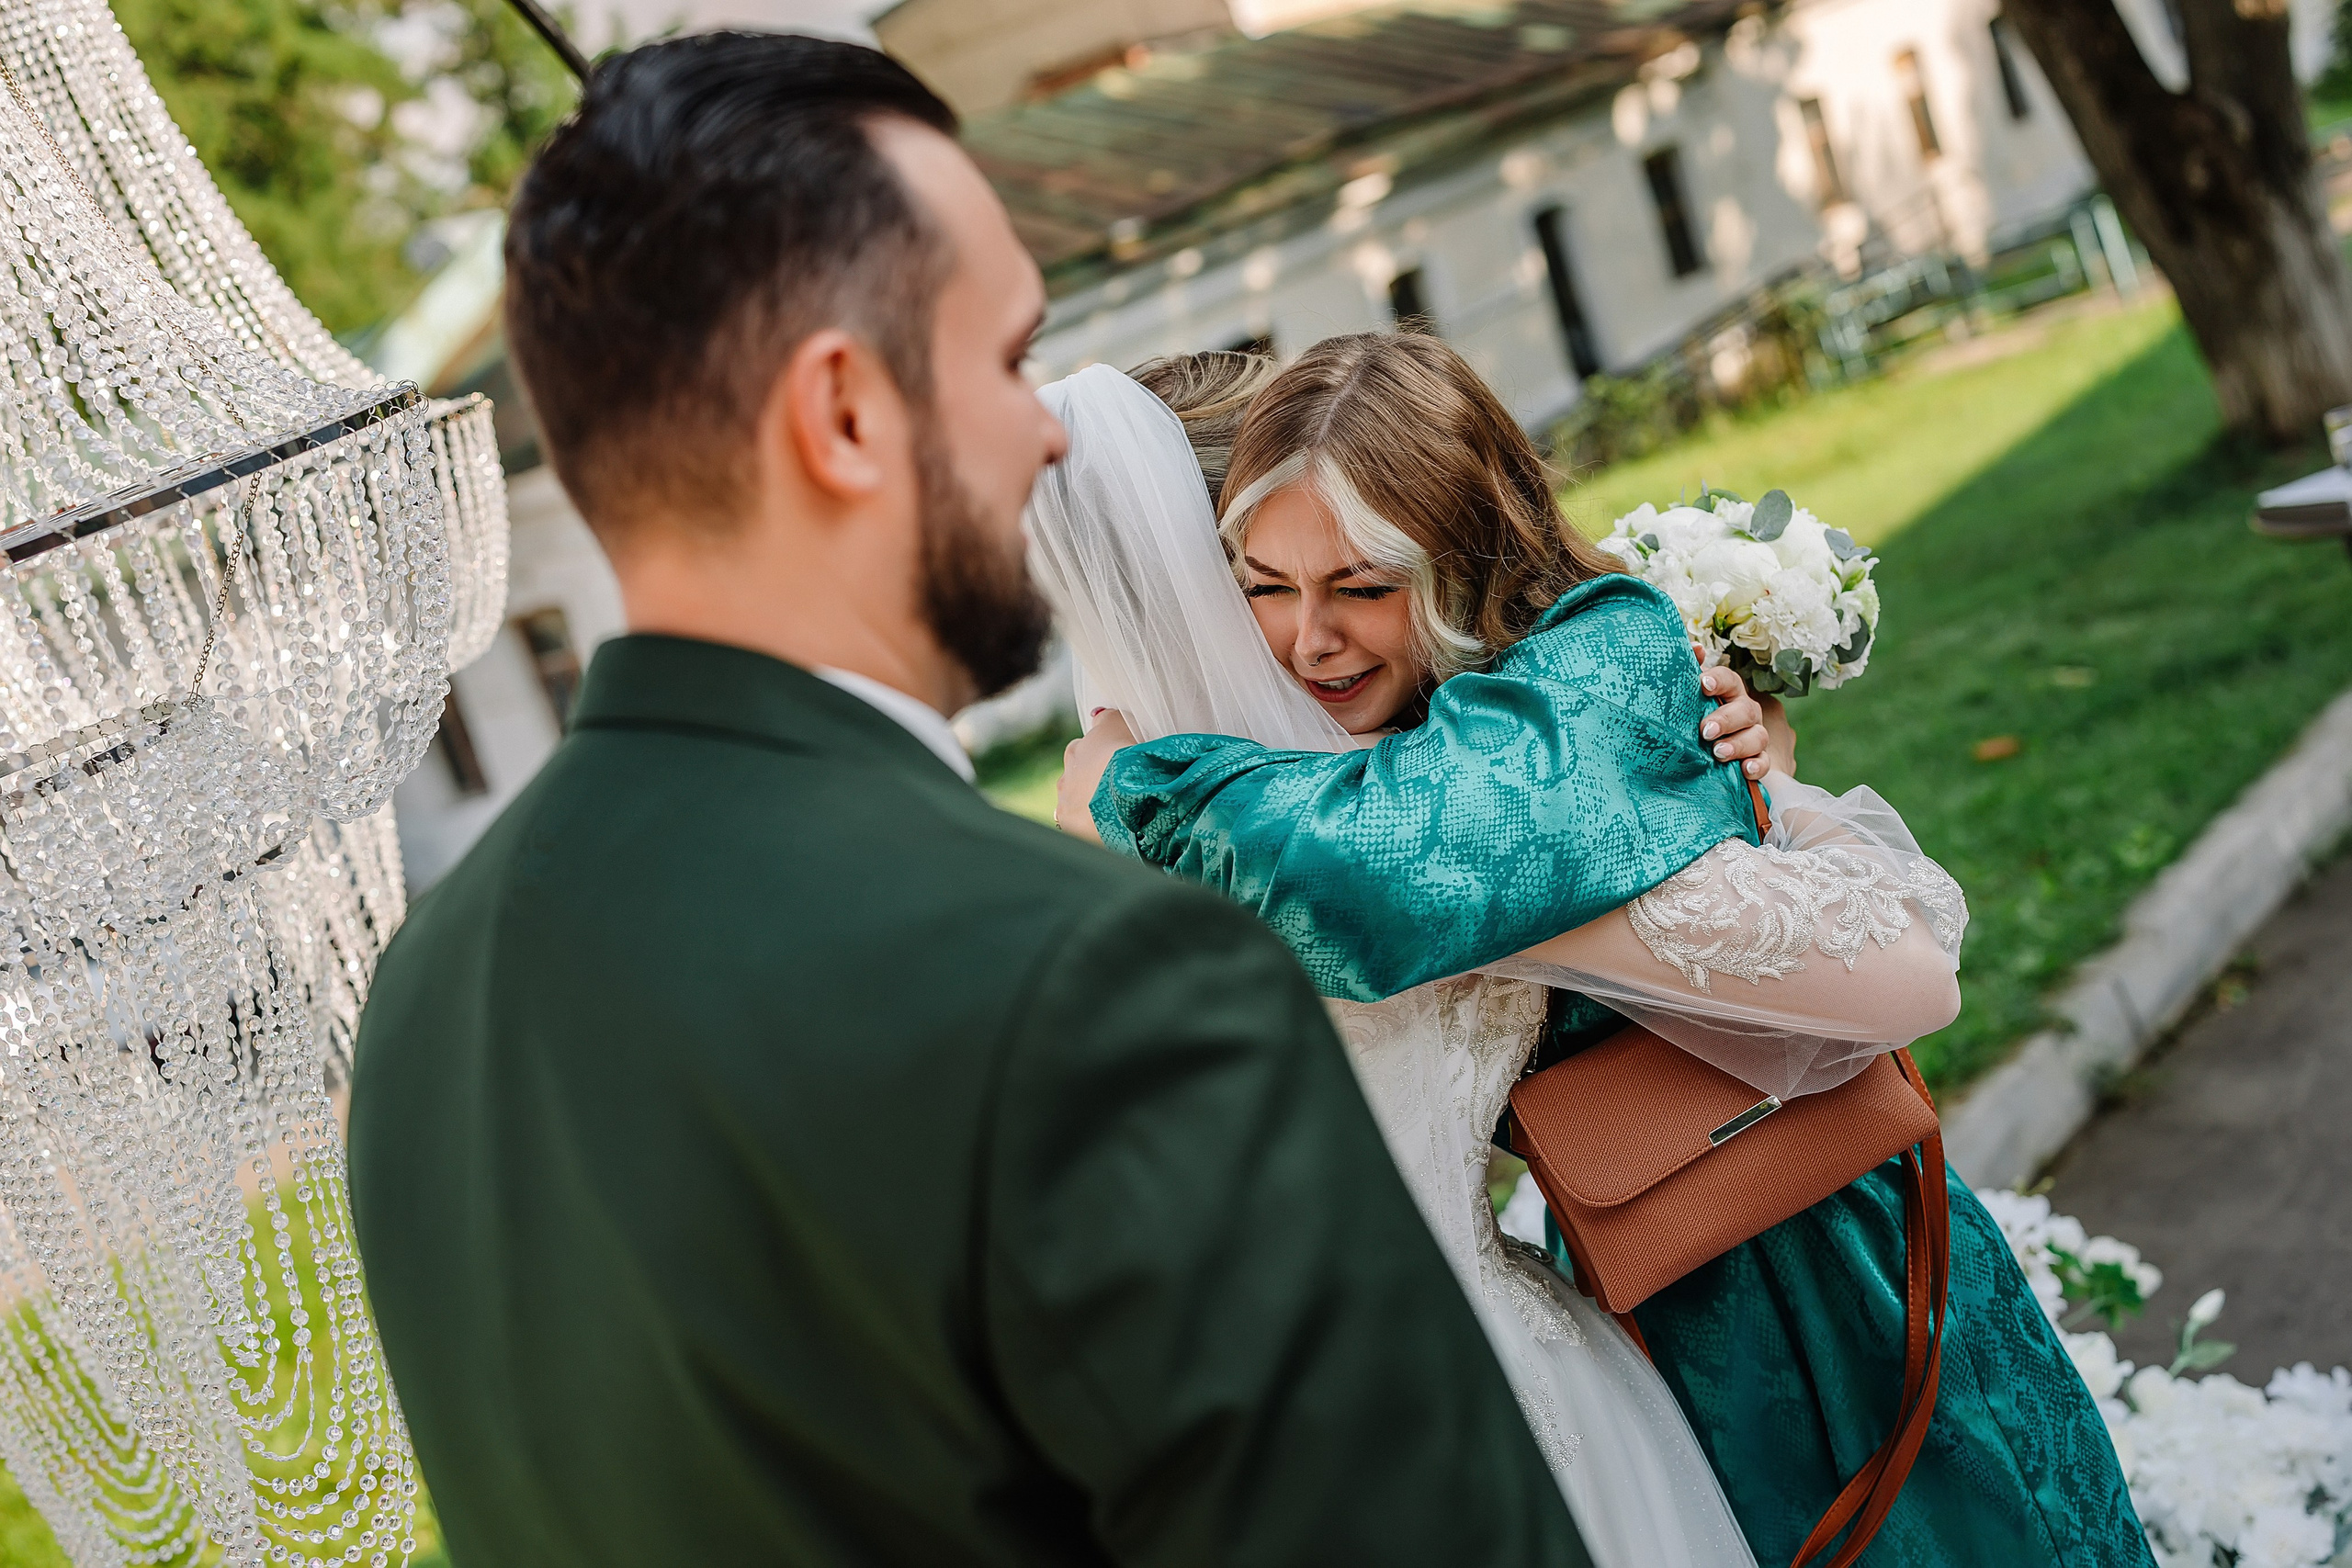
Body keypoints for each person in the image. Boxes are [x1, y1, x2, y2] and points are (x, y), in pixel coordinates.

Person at [345, 36, 1601, 1568]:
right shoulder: (1104, 984)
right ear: (846, 415)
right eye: (1008, 364)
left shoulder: (424, 1004)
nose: (1057, 434)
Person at [1053, 333, 2154, 1568]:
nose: (1306, 641)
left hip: (1809, 1257)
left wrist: (1130, 789)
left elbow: (1902, 971)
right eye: (1259, 586)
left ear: (1447, 548)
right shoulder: (1342, 776)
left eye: (1357, 584)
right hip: (1624, 1284)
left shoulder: (1556, 702)